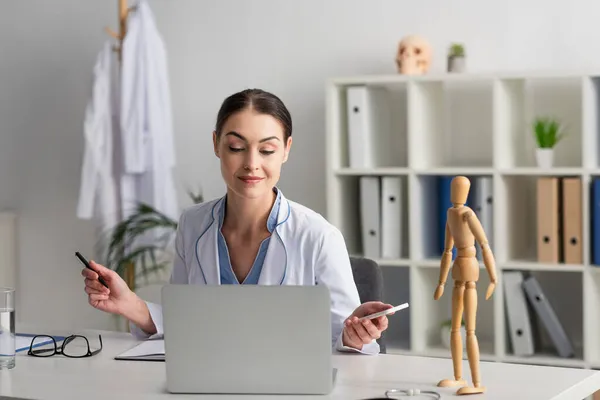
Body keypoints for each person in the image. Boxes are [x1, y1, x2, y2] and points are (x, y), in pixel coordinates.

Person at [81, 88, 395, 354]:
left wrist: (355, 337)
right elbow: (182, 322)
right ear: (217, 144)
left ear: (286, 150)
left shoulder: (318, 236)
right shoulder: (192, 225)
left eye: (267, 149)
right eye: (236, 147)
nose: (251, 164)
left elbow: (352, 342)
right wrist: (129, 303)